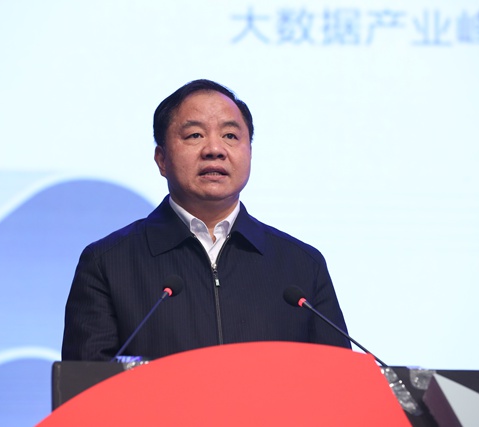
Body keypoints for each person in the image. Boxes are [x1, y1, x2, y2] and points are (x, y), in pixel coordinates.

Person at [61, 79, 350, 361]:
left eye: (230, 136)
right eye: (195, 135)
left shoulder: (301, 266)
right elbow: (85, 384)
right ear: (161, 159)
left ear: (250, 153)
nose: (214, 149)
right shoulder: (108, 263)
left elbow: (339, 380)